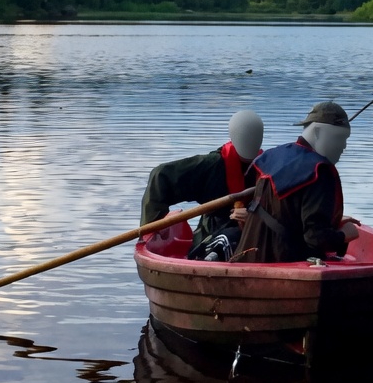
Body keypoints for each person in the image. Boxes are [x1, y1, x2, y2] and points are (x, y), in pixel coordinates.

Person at [234, 101, 360, 263]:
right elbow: (316, 238)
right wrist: (344, 234)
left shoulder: (269, 157)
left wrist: (332, 221)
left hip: (247, 259)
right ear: (318, 133)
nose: (344, 146)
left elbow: (284, 214)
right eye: (339, 138)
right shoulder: (319, 171)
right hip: (286, 264)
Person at [141, 109, 263, 260]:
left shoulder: (267, 168)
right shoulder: (212, 166)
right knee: (227, 239)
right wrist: (152, 230)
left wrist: (254, 218)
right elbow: (160, 176)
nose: (251, 140)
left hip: (257, 236)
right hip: (213, 238)